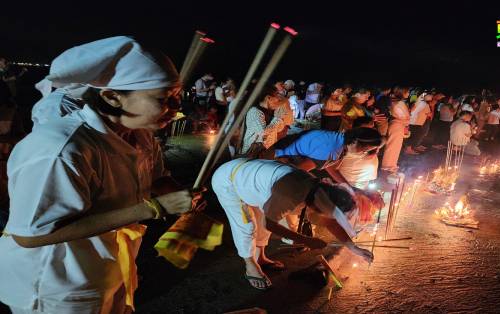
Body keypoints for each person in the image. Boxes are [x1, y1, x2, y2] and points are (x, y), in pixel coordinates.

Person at [0, 36, 201, 314]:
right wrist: (151, 209)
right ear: (112, 96)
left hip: (108, 267)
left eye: (178, 96)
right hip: (57, 287)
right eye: (163, 98)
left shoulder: (141, 136)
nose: (176, 108)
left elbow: (155, 179)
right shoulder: (62, 149)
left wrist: (173, 191)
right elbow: (31, 235)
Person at [211, 158, 374, 290]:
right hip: (229, 181)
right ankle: (250, 265)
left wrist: (354, 248)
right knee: (246, 225)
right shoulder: (290, 193)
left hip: (252, 178)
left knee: (265, 214)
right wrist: (306, 240)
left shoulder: (318, 192)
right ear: (320, 205)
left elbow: (330, 223)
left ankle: (260, 258)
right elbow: (270, 224)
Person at [273, 127, 383, 185]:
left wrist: (349, 188)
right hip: (277, 159)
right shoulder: (331, 150)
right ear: (356, 141)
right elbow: (298, 172)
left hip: (285, 154)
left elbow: (332, 168)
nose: (363, 153)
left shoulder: (341, 140)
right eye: (365, 149)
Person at [241, 86, 287, 155]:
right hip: (251, 154)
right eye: (277, 95)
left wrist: (282, 120)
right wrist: (277, 118)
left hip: (265, 151)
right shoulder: (254, 112)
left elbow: (279, 131)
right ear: (269, 98)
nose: (278, 99)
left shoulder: (270, 111)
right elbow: (264, 135)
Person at [381, 88, 410, 172]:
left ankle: (390, 165)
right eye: (407, 91)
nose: (408, 93)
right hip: (397, 125)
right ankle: (388, 166)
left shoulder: (395, 102)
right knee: (393, 146)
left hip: (397, 124)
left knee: (394, 146)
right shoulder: (399, 103)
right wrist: (407, 122)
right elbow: (404, 117)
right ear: (402, 92)